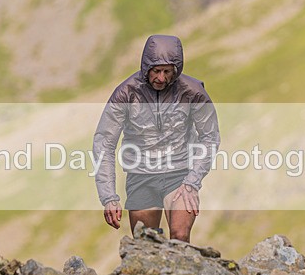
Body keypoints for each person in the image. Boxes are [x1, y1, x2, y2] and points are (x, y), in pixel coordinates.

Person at [93, 34, 220, 242]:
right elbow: (104, 143)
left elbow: (210, 137)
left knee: (180, 238)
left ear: (176, 70)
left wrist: (192, 182)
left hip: (179, 175)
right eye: (156, 71)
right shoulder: (126, 93)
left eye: (168, 72)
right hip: (141, 175)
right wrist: (109, 197)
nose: (161, 78)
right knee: (146, 243)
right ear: (146, 68)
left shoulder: (192, 93)